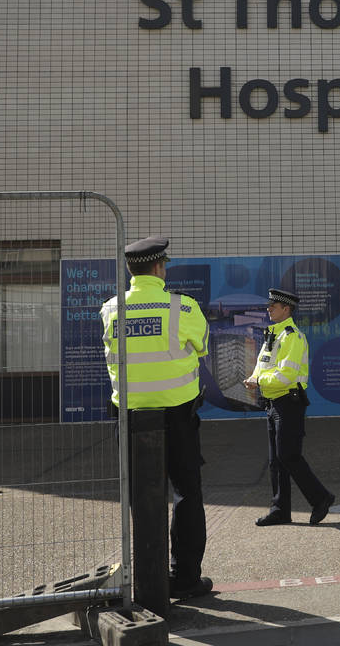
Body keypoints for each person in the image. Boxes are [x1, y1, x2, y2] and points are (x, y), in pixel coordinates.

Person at [100, 236, 213, 601]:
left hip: (130, 417)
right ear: (160, 267)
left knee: (141, 496)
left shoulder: (111, 308)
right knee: (186, 494)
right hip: (178, 415)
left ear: (131, 270)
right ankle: (185, 579)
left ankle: (149, 578)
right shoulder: (184, 308)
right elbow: (202, 346)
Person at [242, 288, 336, 527]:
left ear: (286, 309)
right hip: (272, 403)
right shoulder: (273, 335)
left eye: (273, 306)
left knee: (288, 455)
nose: (268, 309)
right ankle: (280, 509)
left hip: (288, 402)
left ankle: (321, 497)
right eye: (269, 305)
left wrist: (258, 381)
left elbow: (286, 375)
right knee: (276, 460)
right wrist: (254, 378)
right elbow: (262, 366)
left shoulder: (291, 336)